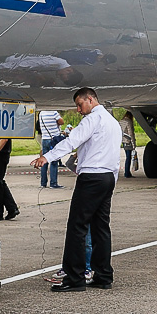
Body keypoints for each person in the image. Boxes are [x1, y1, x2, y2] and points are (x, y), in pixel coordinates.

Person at [32, 87, 121, 292]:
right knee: (101, 228)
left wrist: (47, 157)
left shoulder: (92, 120)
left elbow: (71, 142)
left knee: (77, 227)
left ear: (90, 99)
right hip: (107, 177)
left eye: (80, 105)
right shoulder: (113, 123)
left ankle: (74, 277)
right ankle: (103, 275)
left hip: (91, 177)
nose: (79, 110)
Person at [39, 107, 66, 187]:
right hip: (53, 140)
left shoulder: (41, 113)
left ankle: (43, 183)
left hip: (44, 139)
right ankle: (53, 183)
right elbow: (62, 122)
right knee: (54, 162)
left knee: (44, 161)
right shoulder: (54, 112)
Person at [119, 111, 138, 179]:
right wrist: (133, 144)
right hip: (128, 142)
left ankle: (127, 172)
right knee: (129, 158)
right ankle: (127, 173)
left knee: (127, 157)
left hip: (123, 141)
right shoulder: (128, 122)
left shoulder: (121, 121)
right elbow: (131, 133)